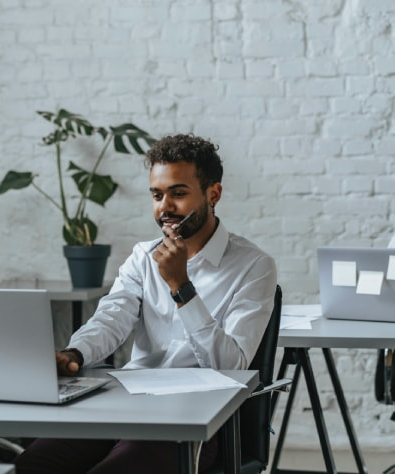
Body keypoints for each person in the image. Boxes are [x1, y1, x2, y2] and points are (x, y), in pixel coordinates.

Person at [16, 133, 278, 474]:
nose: (165, 208)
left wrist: (181, 286)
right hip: (127, 401)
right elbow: (111, 319)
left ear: (213, 194)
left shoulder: (254, 266)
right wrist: (74, 353)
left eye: (178, 194)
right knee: (33, 464)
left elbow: (232, 365)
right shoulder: (143, 256)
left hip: (196, 417)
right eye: (157, 195)